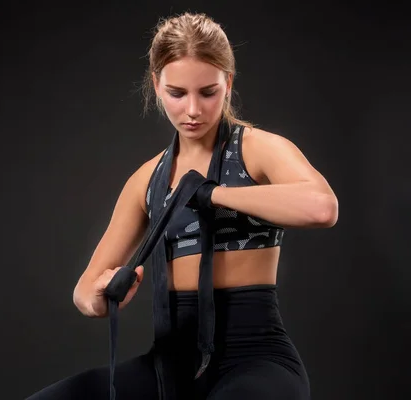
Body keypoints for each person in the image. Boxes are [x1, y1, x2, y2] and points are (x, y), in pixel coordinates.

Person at [26, 11, 338, 400]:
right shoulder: (147, 179)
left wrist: (209, 193)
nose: (193, 110)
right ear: (156, 85)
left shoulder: (257, 149)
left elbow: (322, 207)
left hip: (255, 359)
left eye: (208, 92)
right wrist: (101, 297)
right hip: (169, 366)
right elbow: (85, 289)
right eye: (177, 93)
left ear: (228, 82)